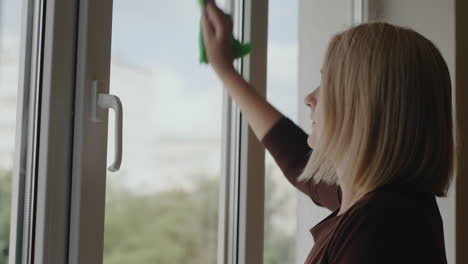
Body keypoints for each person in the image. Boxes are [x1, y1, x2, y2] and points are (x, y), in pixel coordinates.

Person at [201, 1, 455, 263]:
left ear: (365, 106)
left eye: (328, 84)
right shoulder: (385, 203)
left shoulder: (379, 229)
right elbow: (296, 158)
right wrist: (226, 71)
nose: (310, 98)